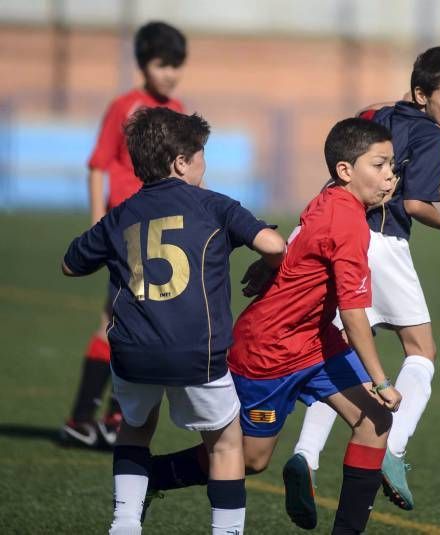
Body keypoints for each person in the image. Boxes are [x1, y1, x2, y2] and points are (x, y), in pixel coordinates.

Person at [144, 118, 402, 534]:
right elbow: (354, 316)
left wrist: (275, 267)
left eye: (391, 164)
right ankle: (152, 477)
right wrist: (382, 379)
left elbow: (299, 242)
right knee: (250, 460)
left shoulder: (332, 198)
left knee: (374, 421)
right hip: (270, 352)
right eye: (379, 164)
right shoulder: (349, 223)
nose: (390, 173)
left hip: (316, 342)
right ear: (345, 172)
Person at [61, 106, 285, 534]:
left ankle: (125, 521)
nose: (205, 163)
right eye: (201, 154)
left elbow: (70, 264)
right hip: (196, 353)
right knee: (225, 443)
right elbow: (274, 244)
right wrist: (266, 263)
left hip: (131, 351)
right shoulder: (215, 206)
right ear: (181, 162)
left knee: (136, 426)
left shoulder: (121, 214)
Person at [289, 46, 440, 513]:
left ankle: (305, 458)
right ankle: (392, 447)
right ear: (422, 93)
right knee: (421, 350)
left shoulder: (373, 112)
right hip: (381, 241)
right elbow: (413, 204)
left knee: (338, 352)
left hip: (333, 230)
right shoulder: (431, 134)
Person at [61, 21, 189, 448]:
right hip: (125, 228)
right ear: (143, 63)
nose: (169, 73)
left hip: (160, 231)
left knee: (129, 319)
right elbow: (99, 163)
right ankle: (94, 419)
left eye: (176, 65)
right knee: (120, 319)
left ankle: (101, 420)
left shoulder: (178, 109)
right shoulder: (124, 107)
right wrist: (98, 220)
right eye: (162, 64)